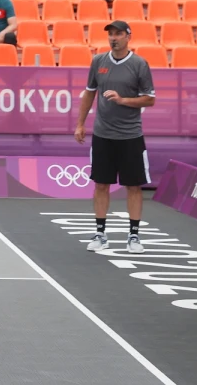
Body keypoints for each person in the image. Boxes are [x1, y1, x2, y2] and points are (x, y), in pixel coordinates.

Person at [74, 20, 156, 254]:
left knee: (133, 186)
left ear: (128, 37)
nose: (113, 38)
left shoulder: (139, 64)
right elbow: (89, 93)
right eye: (111, 34)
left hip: (131, 135)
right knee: (101, 184)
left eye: (118, 34)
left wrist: (123, 100)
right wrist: (80, 124)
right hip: (103, 134)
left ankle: (134, 235)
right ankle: (100, 233)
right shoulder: (98, 61)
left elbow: (149, 99)